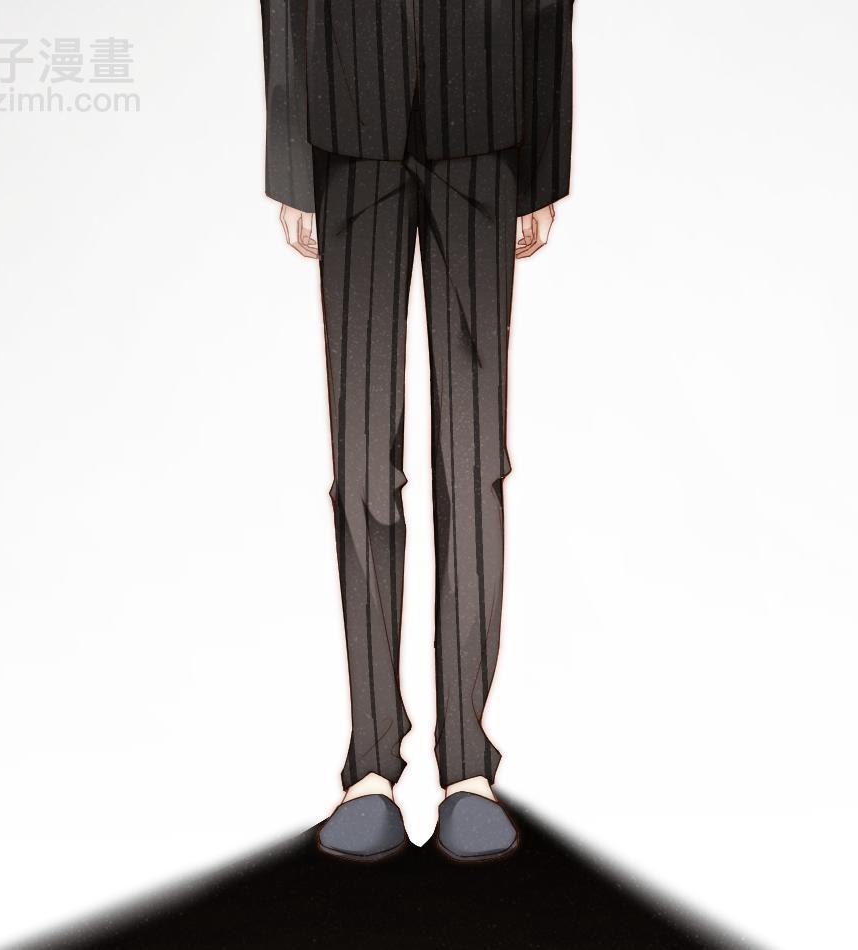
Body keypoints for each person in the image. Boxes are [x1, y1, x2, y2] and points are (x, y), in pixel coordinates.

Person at [259, 0, 574, 862]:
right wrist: (290, 163)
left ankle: (467, 769)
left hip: (486, 116)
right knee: (361, 464)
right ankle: (370, 767)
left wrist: (543, 166)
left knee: (473, 462)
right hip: (348, 121)